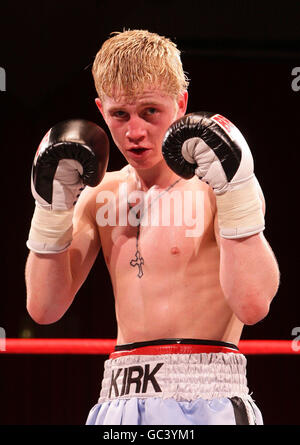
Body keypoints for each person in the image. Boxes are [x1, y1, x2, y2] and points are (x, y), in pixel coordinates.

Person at [25, 29, 280, 425]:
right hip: (118, 400)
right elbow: (43, 308)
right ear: (100, 109)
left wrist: (238, 191)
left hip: (207, 397)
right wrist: (51, 209)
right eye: (119, 114)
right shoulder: (96, 195)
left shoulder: (217, 189)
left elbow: (253, 304)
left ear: (180, 104)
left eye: (150, 112)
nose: (135, 132)